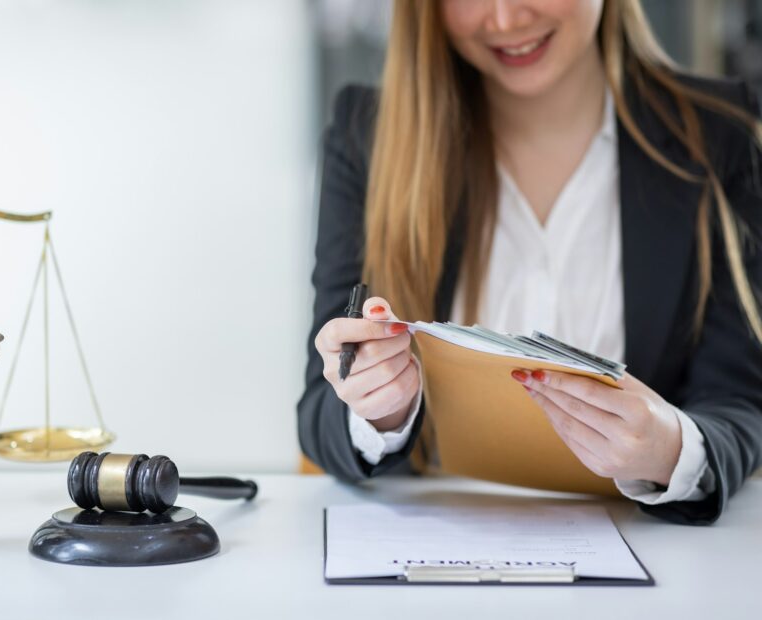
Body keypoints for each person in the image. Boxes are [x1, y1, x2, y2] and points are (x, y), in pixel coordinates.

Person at [297, 0, 762, 525]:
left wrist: (669, 448)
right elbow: (317, 411)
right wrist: (380, 409)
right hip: (431, 552)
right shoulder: (367, 138)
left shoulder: (723, 135)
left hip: (652, 555)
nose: (504, 19)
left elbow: (739, 402)